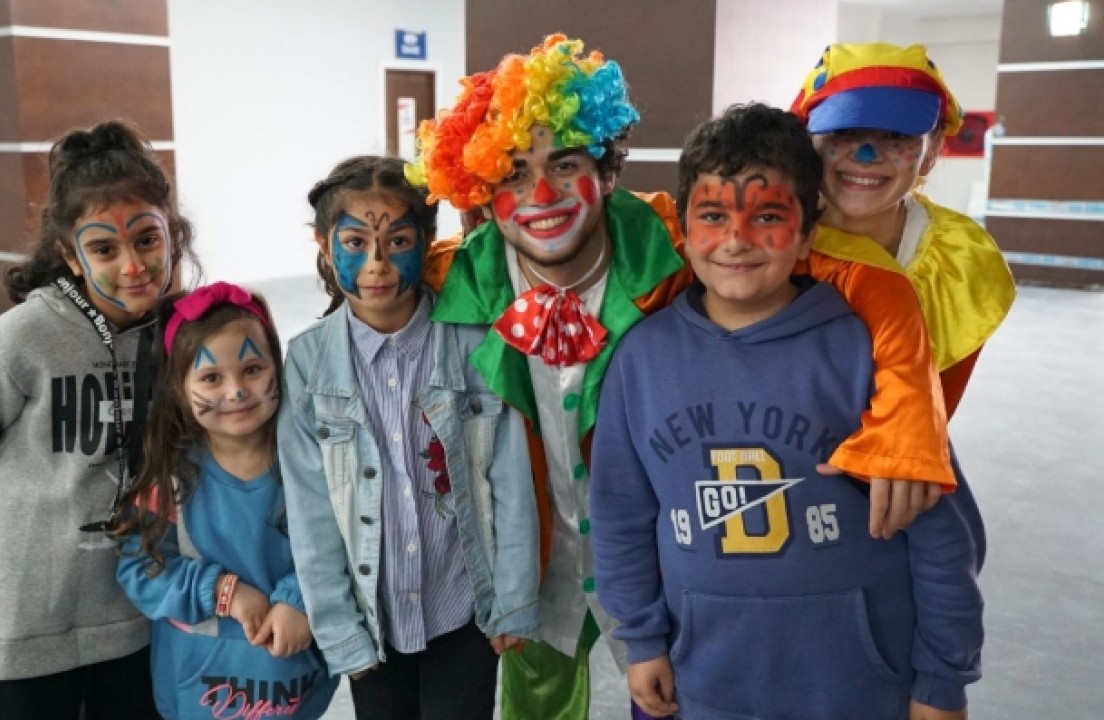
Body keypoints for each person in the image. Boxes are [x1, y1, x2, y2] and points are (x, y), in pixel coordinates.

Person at [412, 34, 956, 720]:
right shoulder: (452, 278)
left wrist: (909, 407)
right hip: (537, 561)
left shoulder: (682, 239)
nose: (541, 193)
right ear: (482, 187)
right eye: (514, 173)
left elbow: (858, 280)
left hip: (682, 570)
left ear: (608, 170)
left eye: (565, 164)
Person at [591, 103, 984, 720]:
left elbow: (945, 538)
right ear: (684, 228)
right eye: (713, 216)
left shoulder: (868, 356)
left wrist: (942, 681)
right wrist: (640, 639)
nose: (736, 239)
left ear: (807, 233)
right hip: (703, 684)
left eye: (768, 216)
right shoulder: (640, 360)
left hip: (860, 688)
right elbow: (620, 517)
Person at [0, 120, 198, 719]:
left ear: (172, 237)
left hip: (132, 618)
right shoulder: (9, 343)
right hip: (25, 629)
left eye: (147, 240)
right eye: (104, 249)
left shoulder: (180, 339)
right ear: (69, 257)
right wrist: (35, 539)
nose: (132, 265)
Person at [278, 155, 540, 720]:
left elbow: (511, 479)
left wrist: (514, 599)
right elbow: (310, 510)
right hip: (375, 623)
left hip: (464, 612)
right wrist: (338, 629)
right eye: (355, 243)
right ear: (324, 244)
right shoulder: (306, 362)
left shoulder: (475, 344)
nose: (377, 264)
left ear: (426, 240)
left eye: (397, 241)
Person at [113, 282, 338, 719]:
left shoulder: (312, 466)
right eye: (211, 378)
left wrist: (300, 600)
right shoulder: (168, 480)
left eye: (252, 369)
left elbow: (343, 545)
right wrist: (221, 591)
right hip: (194, 688)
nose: (235, 392)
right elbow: (139, 568)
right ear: (179, 389)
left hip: (294, 686)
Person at [790, 42, 1016, 418]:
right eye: (845, 130)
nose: (866, 155)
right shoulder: (765, 239)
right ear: (809, 141)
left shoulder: (960, 263)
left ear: (932, 150)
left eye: (895, 135)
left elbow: (932, 412)